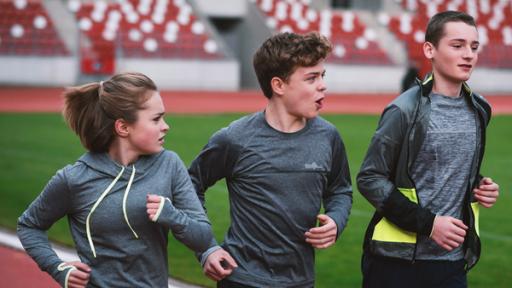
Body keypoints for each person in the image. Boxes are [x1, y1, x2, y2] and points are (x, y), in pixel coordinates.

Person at [17, 72, 215, 287]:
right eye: (156, 119)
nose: (165, 126)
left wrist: (173, 216)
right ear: (123, 127)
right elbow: (29, 226)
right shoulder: (74, 179)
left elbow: (203, 239)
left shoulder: (169, 165)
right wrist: (56, 267)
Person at [188, 32, 353, 288]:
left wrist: (336, 220)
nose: (322, 85)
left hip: (301, 281)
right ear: (278, 85)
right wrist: (206, 248)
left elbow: (340, 190)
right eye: (311, 78)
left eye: (323, 76)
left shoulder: (328, 136)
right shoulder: (234, 139)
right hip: (241, 279)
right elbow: (189, 187)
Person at [357, 11, 500, 288]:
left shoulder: (481, 110)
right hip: (395, 264)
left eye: (474, 46)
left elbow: (448, 170)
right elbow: (369, 179)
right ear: (430, 49)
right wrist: (430, 224)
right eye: (457, 45)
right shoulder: (403, 110)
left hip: (452, 262)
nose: (468, 54)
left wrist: (480, 185)